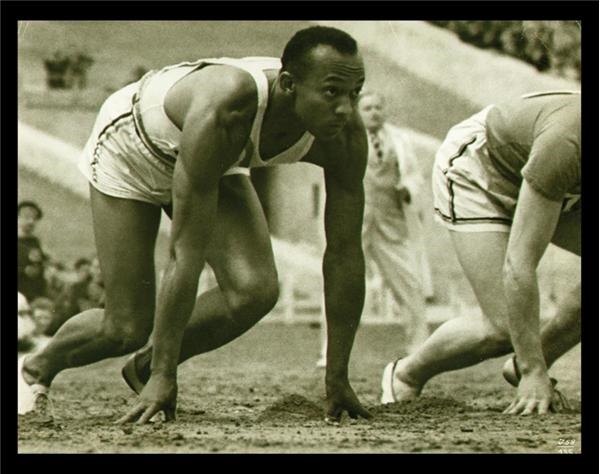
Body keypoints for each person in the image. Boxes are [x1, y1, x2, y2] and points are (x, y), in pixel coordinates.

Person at [19, 26, 371, 424]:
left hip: (213, 159)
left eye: (354, 92)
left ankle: (144, 367)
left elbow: (344, 255)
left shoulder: (345, 136)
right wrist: (165, 377)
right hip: (132, 147)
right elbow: (186, 252)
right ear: (288, 85)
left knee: (254, 290)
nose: (345, 107)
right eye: (332, 93)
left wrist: (337, 377)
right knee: (124, 327)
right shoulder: (228, 107)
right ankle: (34, 369)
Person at [380, 91, 580, 416]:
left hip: (548, 175)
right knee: (503, 328)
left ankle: (530, 361)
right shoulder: (567, 141)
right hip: (479, 167)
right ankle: (406, 373)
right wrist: (534, 372)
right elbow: (519, 263)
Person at [317, 91, 430, 368]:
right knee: (341, 284)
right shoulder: (343, 136)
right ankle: (330, 351)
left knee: (410, 284)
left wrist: (407, 189)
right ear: (358, 111)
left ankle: (420, 349)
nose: (374, 112)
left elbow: (414, 176)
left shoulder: (398, 140)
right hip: (353, 223)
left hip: (391, 223)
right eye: (368, 108)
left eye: (379, 107)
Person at [18, 201, 47, 302]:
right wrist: (23, 270)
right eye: (26, 217)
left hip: (35, 295)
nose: (31, 221)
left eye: (34, 218)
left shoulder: (35, 242)